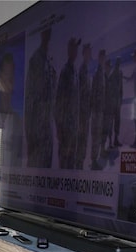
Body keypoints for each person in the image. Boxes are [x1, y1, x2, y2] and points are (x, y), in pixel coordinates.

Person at [24, 27, 55, 168]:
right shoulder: (36, 60)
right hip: (37, 133)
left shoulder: (49, 61)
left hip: (46, 130)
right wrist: (31, 136)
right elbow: (31, 99)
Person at [55, 37, 80, 169]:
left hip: (73, 127)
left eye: (77, 48)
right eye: (74, 48)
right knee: (65, 163)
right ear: (69, 50)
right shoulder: (65, 71)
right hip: (65, 128)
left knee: (72, 161)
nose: (76, 51)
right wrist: (59, 127)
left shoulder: (75, 71)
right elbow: (59, 101)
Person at [76, 43, 92, 170]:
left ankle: (80, 165)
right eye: (88, 51)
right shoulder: (82, 69)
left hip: (85, 113)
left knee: (83, 141)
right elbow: (81, 93)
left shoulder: (86, 69)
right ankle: (78, 167)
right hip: (82, 113)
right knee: (81, 141)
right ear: (84, 53)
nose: (90, 54)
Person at [90, 49, 106, 170]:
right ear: (99, 58)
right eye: (101, 57)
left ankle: (97, 157)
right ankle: (94, 160)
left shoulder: (102, 73)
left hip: (100, 110)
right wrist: (95, 109)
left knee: (100, 134)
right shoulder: (97, 73)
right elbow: (94, 93)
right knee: (95, 135)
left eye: (104, 57)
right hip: (96, 111)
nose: (103, 59)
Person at [106, 57, 124, 149]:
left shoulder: (120, 73)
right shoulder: (111, 75)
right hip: (112, 103)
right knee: (110, 122)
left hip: (117, 103)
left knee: (117, 122)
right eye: (117, 63)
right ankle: (109, 141)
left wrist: (121, 99)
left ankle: (116, 139)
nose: (118, 64)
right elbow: (109, 90)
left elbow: (121, 88)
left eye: (119, 63)